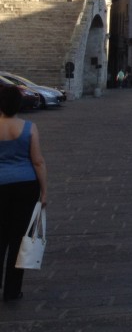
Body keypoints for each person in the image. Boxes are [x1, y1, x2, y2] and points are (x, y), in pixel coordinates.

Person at [0, 85, 48, 302]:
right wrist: (44, 190)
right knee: (19, 239)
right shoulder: (29, 127)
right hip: (26, 186)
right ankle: (12, 290)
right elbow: (37, 161)